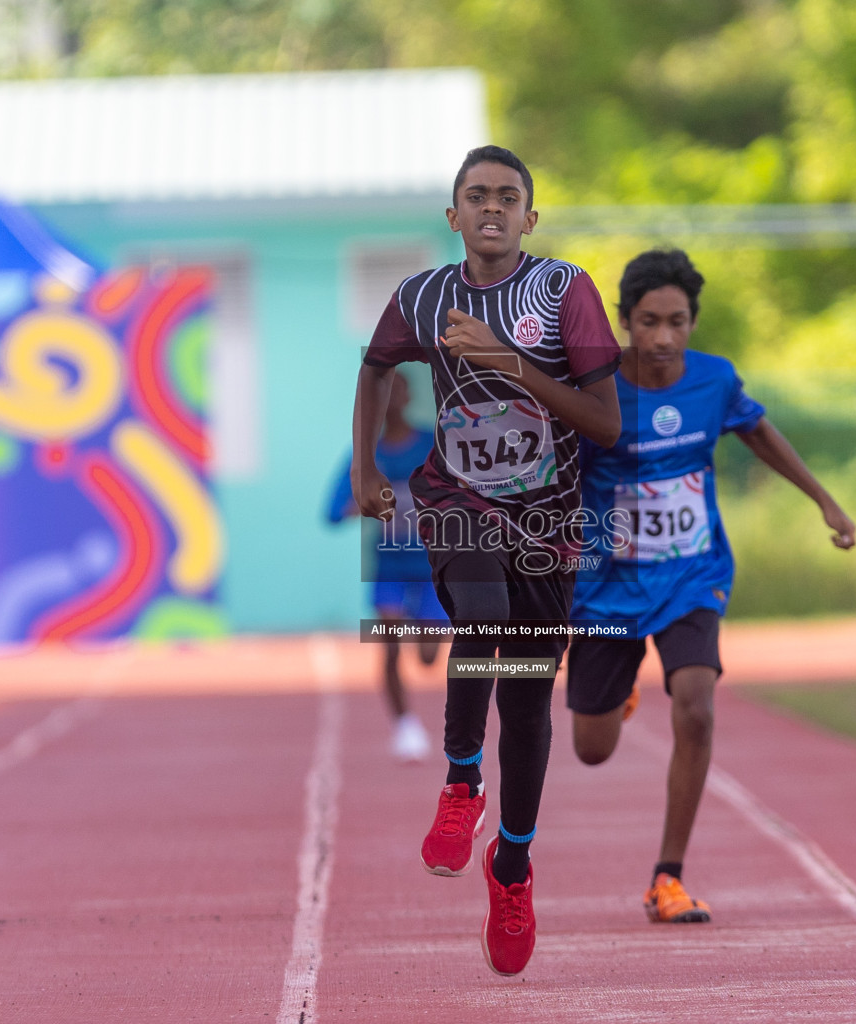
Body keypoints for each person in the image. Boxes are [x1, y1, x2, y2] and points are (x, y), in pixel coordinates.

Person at [351, 145, 622, 976]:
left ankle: (512, 864)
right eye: (477, 196)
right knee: (482, 618)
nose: (493, 208)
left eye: (509, 196)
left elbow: (604, 423)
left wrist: (505, 361)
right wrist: (366, 466)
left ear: (530, 217)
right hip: (455, 499)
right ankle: (461, 779)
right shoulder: (422, 298)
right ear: (454, 215)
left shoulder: (563, 292)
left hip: (548, 516)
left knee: (530, 699)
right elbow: (374, 366)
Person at [567, 248, 856, 924]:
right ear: (624, 322)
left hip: (692, 574)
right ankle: (623, 685)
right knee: (591, 748)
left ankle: (667, 877)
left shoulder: (715, 382)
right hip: (607, 589)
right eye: (647, 323)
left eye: (676, 322)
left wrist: (825, 501)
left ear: (694, 322)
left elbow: (758, 433)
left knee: (696, 704)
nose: (663, 338)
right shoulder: (594, 389)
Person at [326, 368, 440, 762]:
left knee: (427, 657)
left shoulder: (431, 445)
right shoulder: (366, 454)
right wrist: (358, 505)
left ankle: (426, 639)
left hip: (430, 569)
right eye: (385, 393)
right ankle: (404, 725)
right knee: (390, 645)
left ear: (408, 399)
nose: (393, 400)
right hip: (389, 567)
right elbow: (332, 511)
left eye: (400, 392)